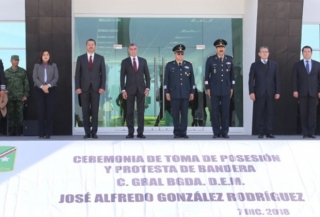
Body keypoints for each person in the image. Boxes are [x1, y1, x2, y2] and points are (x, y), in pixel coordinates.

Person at [75, 39, 106, 139]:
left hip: (96, 89)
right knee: (85, 111)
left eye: (92, 44)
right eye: (89, 44)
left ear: (95, 46)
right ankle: (87, 132)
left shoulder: (100, 58)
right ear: (86, 46)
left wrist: (102, 87)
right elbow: (78, 75)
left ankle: (94, 132)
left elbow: (103, 74)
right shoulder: (80, 58)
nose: (91, 46)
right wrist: (78, 87)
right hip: (83, 89)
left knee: (95, 111)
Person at [205, 39, 235, 138]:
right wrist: (207, 88)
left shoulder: (230, 59)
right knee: (215, 111)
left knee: (226, 111)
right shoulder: (210, 59)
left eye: (222, 47)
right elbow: (206, 76)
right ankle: (216, 132)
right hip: (214, 89)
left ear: (225, 48)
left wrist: (232, 87)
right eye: (219, 47)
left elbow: (232, 76)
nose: (221, 49)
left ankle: (225, 132)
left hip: (226, 89)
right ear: (216, 49)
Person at [249, 46, 281, 138]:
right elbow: (251, 80)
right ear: (259, 54)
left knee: (270, 113)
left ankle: (269, 132)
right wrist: (251, 92)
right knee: (259, 113)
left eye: (266, 52)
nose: (265, 53)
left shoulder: (274, 65)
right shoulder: (254, 65)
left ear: (268, 53)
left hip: (271, 92)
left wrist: (278, 92)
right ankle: (261, 131)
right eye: (263, 52)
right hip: (259, 92)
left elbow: (277, 79)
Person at [164, 44, 195, 138]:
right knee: (176, 114)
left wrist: (192, 92)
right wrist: (167, 92)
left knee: (185, 114)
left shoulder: (188, 65)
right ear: (175, 54)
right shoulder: (169, 66)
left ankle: (183, 132)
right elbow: (166, 80)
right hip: (174, 94)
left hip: (185, 93)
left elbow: (192, 80)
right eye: (178, 53)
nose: (180, 55)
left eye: (182, 53)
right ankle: (177, 132)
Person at [120, 43, 151, 138]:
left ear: (137, 50)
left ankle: (140, 132)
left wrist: (147, 88)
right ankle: (130, 132)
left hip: (141, 89)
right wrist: (123, 90)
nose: (133, 50)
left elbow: (147, 76)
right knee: (129, 111)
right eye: (131, 49)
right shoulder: (125, 62)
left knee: (140, 112)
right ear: (128, 50)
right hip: (129, 90)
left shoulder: (143, 61)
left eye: (135, 49)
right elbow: (122, 77)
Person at [292, 45, 320, 138]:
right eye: (305, 51)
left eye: (308, 51)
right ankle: (305, 132)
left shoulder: (317, 64)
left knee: (312, 113)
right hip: (302, 92)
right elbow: (294, 79)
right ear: (302, 53)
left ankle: (311, 133)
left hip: (314, 92)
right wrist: (295, 90)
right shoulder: (297, 64)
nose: (306, 53)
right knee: (303, 113)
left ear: (311, 53)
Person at [33, 50, 59, 139]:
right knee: (41, 112)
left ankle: (48, 133)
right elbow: (34, 77)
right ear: (41, 56)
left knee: (50, 112)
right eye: (44, 54)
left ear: (49, 56)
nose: (45, 56)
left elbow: (56, 77)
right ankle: (41, 133)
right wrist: (42, 87)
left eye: (47, 54)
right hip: (39, 90)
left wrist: (47, 86)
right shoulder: (37, 66)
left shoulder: (53, 65)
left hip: (51, 90)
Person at [4, 55, 30, 136]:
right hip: (10, 96)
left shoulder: (22, 71)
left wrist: (26, 94)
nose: (16, 61)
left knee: (20, 114)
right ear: (11, 61)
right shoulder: (6, 72)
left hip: (20, 96)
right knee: (11, 114)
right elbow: (4, 84)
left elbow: (26, 84)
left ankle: (19, 130)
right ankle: (12, 131)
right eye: (15, 60)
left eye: (18, 60)